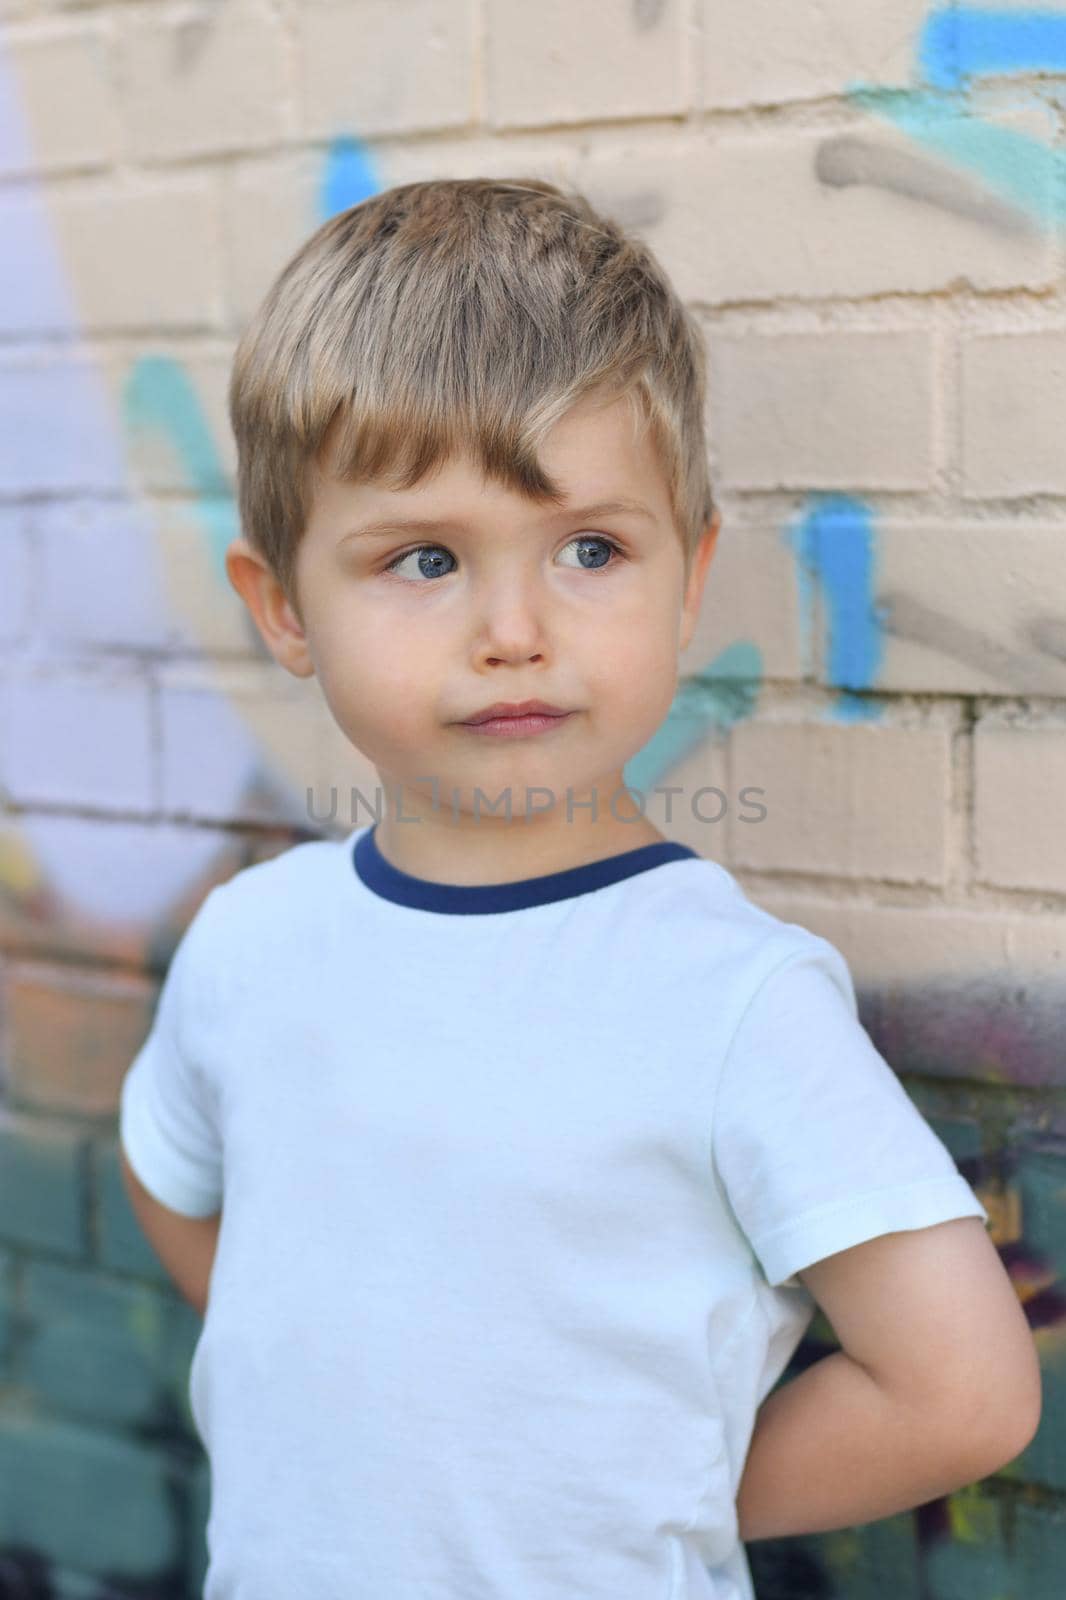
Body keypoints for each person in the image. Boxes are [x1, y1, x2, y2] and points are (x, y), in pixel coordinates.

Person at [118, 177, 1040, 1600]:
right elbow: (171, 1176)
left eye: (590, 550)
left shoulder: (729, 999)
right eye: (423, 558)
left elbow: (964, 1394)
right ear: (283, 605)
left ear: (688, 577)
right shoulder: (251, 942)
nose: (514, 631)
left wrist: (623, 1499)